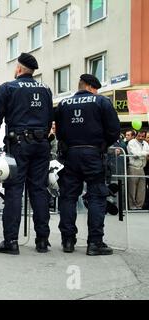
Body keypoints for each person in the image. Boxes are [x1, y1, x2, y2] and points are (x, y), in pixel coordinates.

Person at [0, 52, 54, 255]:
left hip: (19, 145)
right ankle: (42, 240)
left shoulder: (8, 88)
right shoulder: (46, 90)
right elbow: (49, 118)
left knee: (14, 191)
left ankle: (11, 241)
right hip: (41, 144)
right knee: (39, 191)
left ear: (19, 69)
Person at [55, 74, 120, 255]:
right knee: (97, 197)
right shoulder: (101, 102)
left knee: (68, 197)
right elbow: (114, 130)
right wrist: (102, 145)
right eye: (96, 89)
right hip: (93, 154)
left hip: (71, 155)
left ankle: (68, 241)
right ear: (91, 87)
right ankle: (95, 243)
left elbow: (59, 132)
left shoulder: (63, 104)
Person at [127, 130, 149, 210]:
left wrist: (141, 154)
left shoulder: (146, 143)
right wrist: (144, 154)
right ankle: (132, 206)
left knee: (142, 189)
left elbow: (146, 153)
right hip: (133, 167)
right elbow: (135, 154)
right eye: (139, 136)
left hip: (142, 168)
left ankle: (139, 206)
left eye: (143, 136)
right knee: (132, 189)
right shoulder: (131, 142)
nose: (141, 138)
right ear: (136, 135)